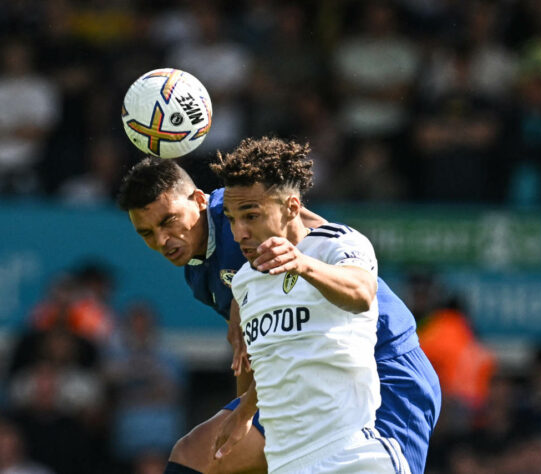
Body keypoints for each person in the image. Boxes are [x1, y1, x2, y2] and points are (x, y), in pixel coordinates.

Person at [117, 143, 440, 474]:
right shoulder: (204, 275)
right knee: (197, 456)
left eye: (169, 221)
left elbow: (316, 237)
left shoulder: (245, 210)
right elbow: (254, 355)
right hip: (301, 392)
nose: (162, 240)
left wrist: (303, 261)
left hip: (381, 369)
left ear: (199, 200)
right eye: (147, 233)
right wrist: (243, 411)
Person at [210, 136, 408, 472]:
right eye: (230, 219)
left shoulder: (337, 243)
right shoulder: (244, 282)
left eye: (251, 215)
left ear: (290, 207)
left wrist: (301, 264)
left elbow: (362, 293)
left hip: (353, 455)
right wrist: (244, 410)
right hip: (286, 463)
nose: (238, 232)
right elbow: (276, 362)